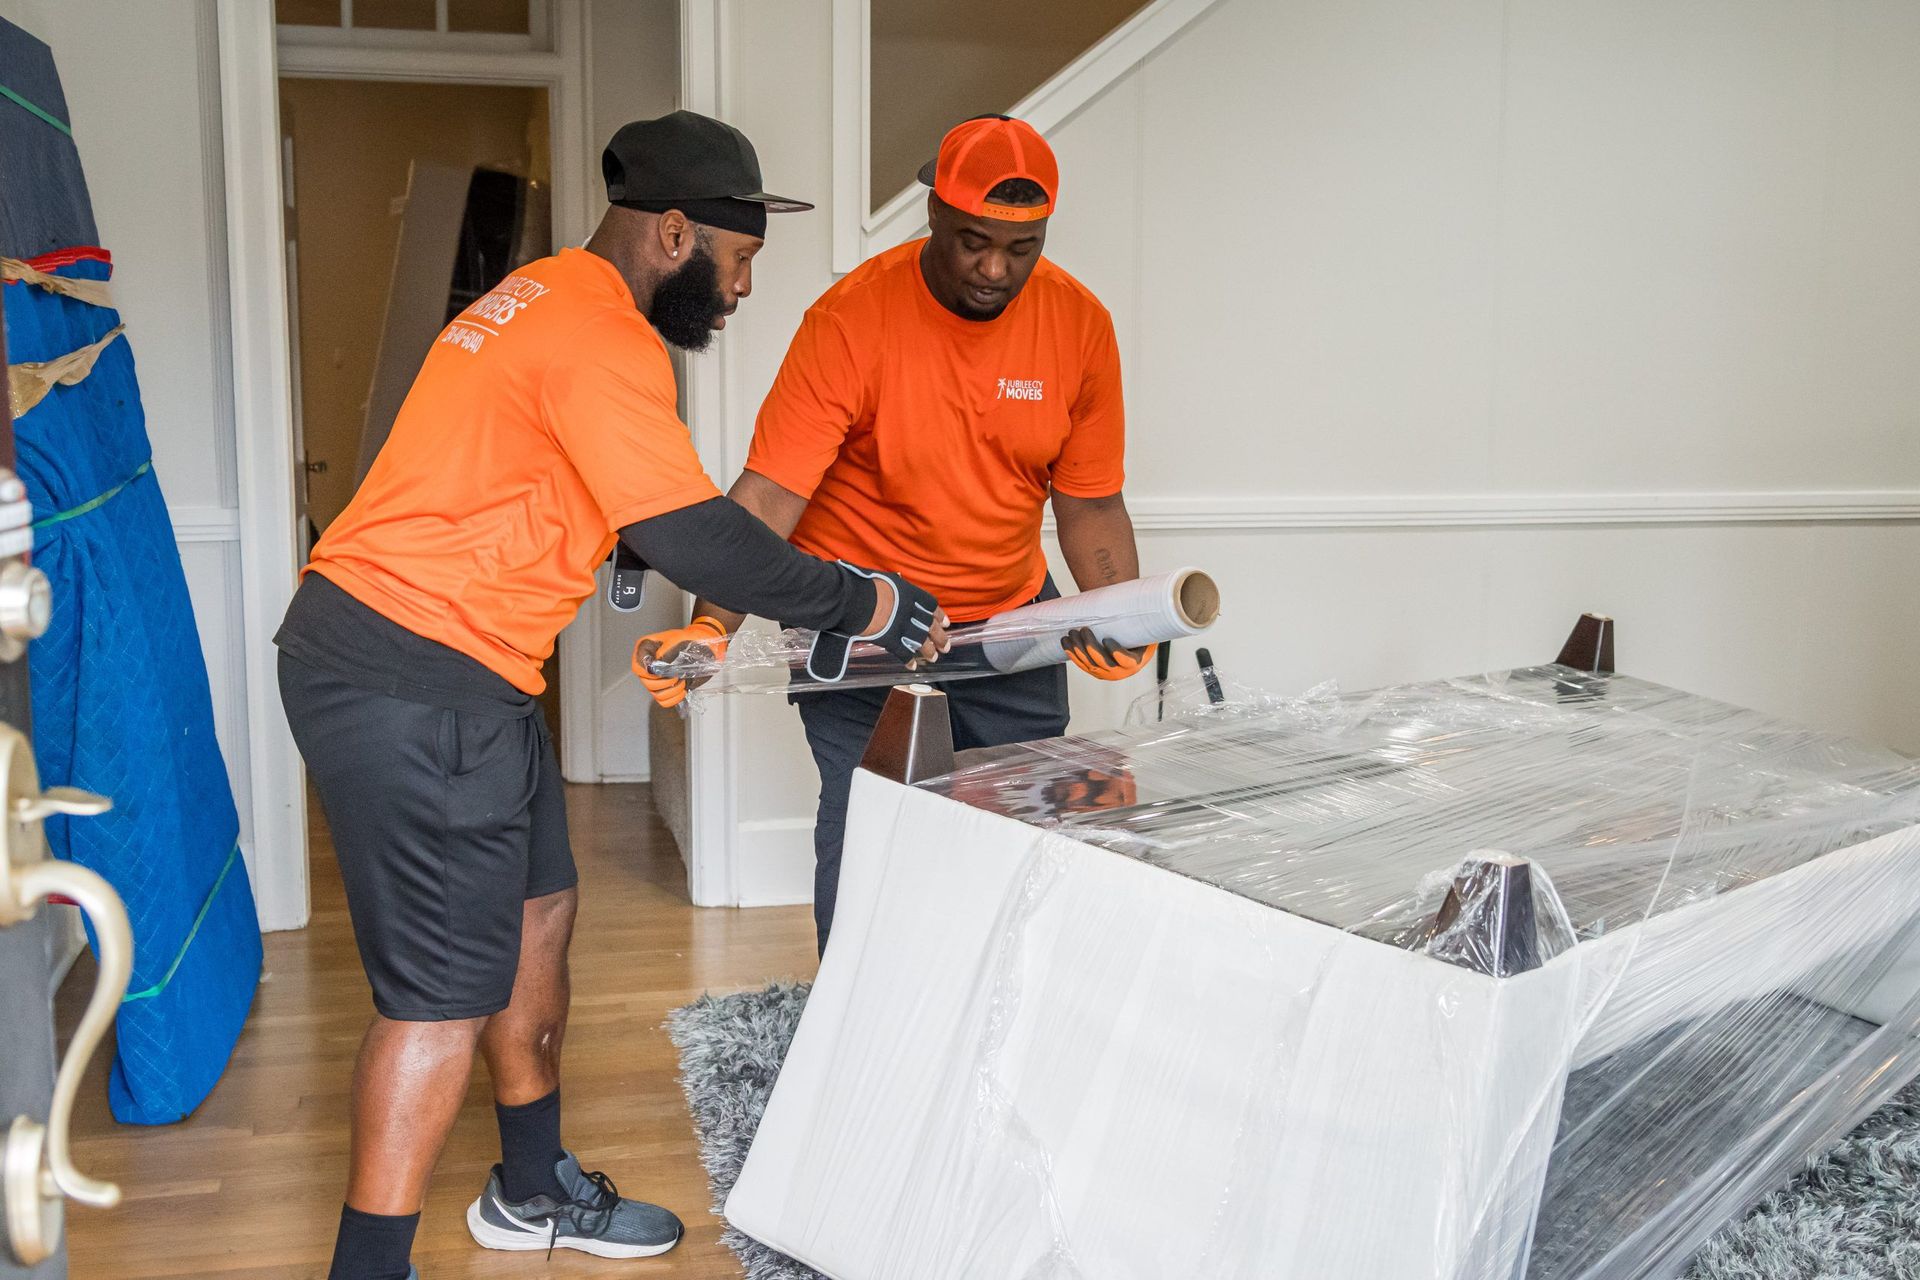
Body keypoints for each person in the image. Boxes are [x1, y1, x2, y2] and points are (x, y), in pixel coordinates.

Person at [274, 111, 946, 1280]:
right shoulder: (600, 335)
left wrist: (655, 574)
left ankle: (530, 1187)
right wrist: (863, 600)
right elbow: (701, 536)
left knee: (540, 911)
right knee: (436, 1000)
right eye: (738, 261)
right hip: (415, 668)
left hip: (459, 668)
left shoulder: (539, 294)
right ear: (675, 233)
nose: (741, 291)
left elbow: (561, 480)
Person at [639, 115, 1150, 955]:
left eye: (1020, 249)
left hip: (1009, 625)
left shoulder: (1079, 325)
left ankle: (981, 1022)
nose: (995, 269)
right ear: (935, 215)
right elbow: (770, 494)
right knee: (872, 836)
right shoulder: (853, 318)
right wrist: (711, 626)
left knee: (1019, 845)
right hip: (866, 627)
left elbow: (1091, 502)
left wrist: (1120, 613)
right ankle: (858, 1022)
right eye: (974, 242)